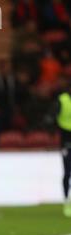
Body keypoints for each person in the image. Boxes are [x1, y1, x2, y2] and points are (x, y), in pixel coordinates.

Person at [56, 82, 71, 217]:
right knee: (67, 172)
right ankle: (66, 200)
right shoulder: (62, 100)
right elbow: (54, 116)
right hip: (66, 141)